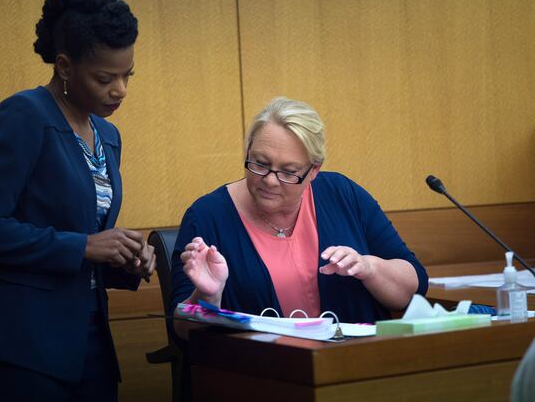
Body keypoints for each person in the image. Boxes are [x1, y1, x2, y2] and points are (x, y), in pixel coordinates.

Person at [0, 0, 155, 402]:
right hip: (21, 344)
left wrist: (126, 257)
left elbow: (86, 231)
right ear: (64, 66)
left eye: (127, 75)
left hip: (89, 339)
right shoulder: (24, 115)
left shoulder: (108, 134)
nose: (120, 90)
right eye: (105, 77)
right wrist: (82, 246)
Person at [170, 97, 428, 338]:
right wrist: (207, 296)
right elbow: (180, 330)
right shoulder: (206, 215)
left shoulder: (342, 194)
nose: (270, 180)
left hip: (356, 366)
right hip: (260, 376)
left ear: (313, 170)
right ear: (248, 151)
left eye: (289, 171)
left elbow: (414, 286)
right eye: (259, 163)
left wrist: (370, 268)